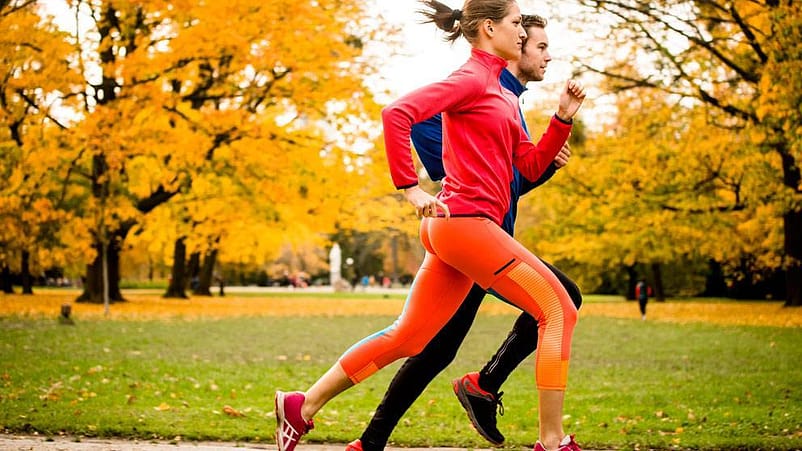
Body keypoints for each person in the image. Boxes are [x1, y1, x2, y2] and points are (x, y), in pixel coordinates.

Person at [274, 1, 586, 450]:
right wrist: (412, 188)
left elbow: (530, 164)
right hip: (465, 224)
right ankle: (552, 441)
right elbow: (397, 115)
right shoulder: (471, 78)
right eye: (517, 24)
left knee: (410, 336)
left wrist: (562, 120)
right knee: (558, 309)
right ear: (488, 27)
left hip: (460, 230)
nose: (522, 34)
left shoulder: (502, 94)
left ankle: (301, 406)